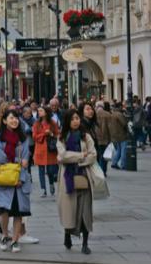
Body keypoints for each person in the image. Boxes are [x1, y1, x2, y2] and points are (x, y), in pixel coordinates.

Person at [56, 108, 96, 254]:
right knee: (69, 211)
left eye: (77, 118)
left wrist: (78, 161)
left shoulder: (86, 137)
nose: (76, 121)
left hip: (84, 177)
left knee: (85, 212)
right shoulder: (62, 137)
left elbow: (93, 155)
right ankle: (67, 234)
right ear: (67, 121)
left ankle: (85, 243)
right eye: (72, 119)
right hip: (67, 179)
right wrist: (80, 155)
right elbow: (63, 155)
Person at [0, 109, 32, 254]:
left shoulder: (23, 139)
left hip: (20, 180)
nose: (14, 120)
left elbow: (27, 159)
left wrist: (20, 176)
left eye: (16, 118)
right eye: (11, 118)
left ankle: (15, 240)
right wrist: (18, 161)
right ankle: (4, 235)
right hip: (4, 179)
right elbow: (1, 158)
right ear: (4, 121)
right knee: (3, 210)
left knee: (18, 212)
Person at [32, 106, 59, 197]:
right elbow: (34, 136)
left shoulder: (53, 123)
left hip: (51, 149)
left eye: (41, 110)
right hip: (40, 149)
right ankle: (43, 189)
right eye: (38, 110)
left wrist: (51, 134)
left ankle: (51, 183)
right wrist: (44, 134)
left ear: (46, 112)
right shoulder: (36, 123)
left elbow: (57, 134)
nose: (39, 112)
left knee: (50, 170)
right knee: (41, 170)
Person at [109, 102, 129, 169]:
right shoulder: (119, 114)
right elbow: (124, 123)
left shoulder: (112, 114)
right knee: (124, 150)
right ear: (119, 107)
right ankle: (123, 164)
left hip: (114, 134)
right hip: (121, 134)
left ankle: (114, 163)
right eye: (122, 106)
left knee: (119, 150)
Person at [94, 101, 113, 173]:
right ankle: (103, 170)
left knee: (98, 155)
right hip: (106, 138)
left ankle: (99, 170)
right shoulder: (107, 114)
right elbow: (110, 127)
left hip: (96, 138)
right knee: (105, 155)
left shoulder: (94, 114)